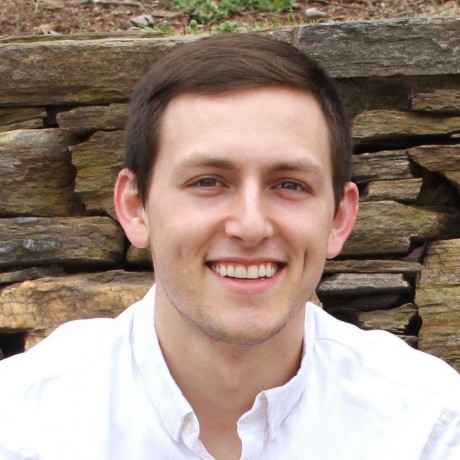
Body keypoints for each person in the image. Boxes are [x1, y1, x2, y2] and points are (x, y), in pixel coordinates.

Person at [0, 33, 459, 460]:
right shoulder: (21, 426)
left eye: (290, 184)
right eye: (207, 181)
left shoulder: (428, 426)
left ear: (339, 218)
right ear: (136, 207)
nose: (250, 226)